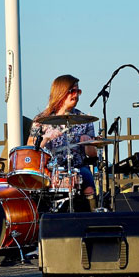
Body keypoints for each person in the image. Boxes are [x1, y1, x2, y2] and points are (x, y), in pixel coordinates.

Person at [27, 74, 97, 212]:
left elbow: (93, 155)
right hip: (49, 169)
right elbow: (30, 149)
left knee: (87, 178)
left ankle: (93, 216)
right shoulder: (41, 120)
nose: (76, 95)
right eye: (72, 91)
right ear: (61, 92)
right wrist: (46, 138)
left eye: (78, 91)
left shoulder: (84, 119)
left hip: (77, 167)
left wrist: (87, 142)